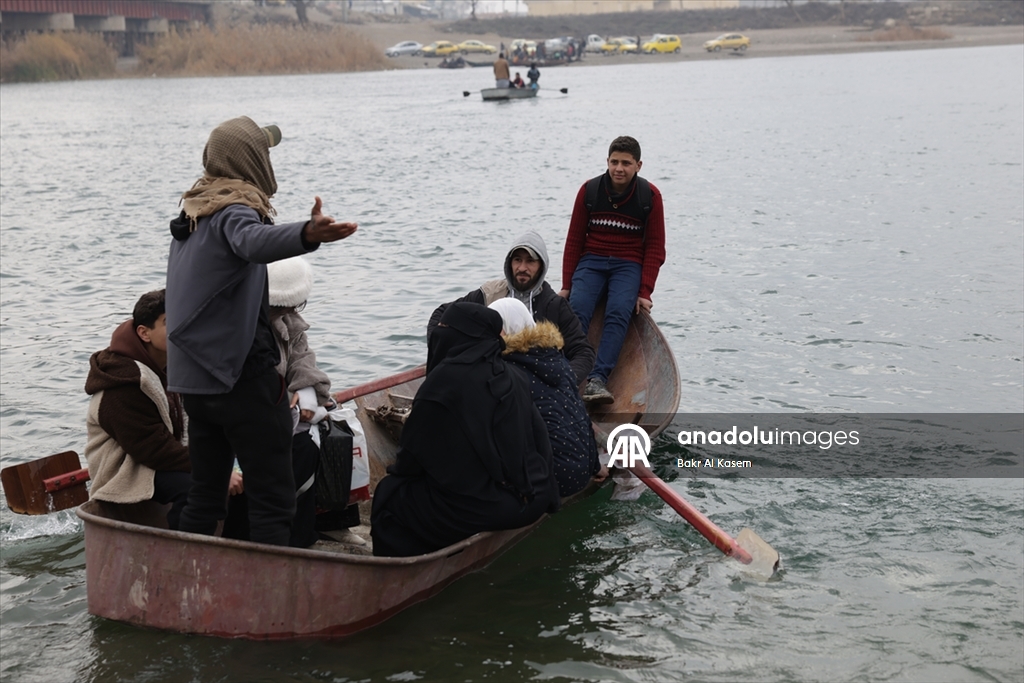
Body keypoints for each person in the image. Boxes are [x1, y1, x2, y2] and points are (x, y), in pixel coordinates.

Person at [166, 115, 358, 547]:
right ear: (250, 159)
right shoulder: (235, 210)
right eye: (264, 151)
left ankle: (186, 583)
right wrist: (308, 234)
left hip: (196, 384)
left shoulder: (193, 214)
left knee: (205, 498)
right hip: (241, 379)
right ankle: (271, 600)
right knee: (274, 500)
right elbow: (254, 241)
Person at [371, 302, 560, 557]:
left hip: (491, 507)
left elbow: (409, 461)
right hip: (534, 496)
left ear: (461, 335)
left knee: (390, 493)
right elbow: (540, 441)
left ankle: (401, 568)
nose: (438, 332)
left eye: (444, 327)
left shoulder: (441, 385)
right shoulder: (515, 376)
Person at [85, 289, 242, 530]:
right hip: (127, 471)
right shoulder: (123, 381)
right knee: (198, 489)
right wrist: (214, 469)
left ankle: (236, 547)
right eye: (169, 322)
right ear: (144, 333)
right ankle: (178, 556)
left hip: (156, 460)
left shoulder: (170, 365)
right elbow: (153, 449)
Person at [559, 135, 666, 404]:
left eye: (626, 163)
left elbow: (655, 247)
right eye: (614, 162)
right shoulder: (589, 191)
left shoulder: (650, 196)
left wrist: (645, 291)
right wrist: (566, 284)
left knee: (619, 312)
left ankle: (597, 380)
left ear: (638, 165)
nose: (619, 168)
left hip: (627, 263)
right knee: (577, 310)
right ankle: (565, 374)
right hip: (591, 260)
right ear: (607, 162)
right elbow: (574, 240)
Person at [428, 231, 595, 386]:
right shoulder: (489, 294)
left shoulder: (555, 306)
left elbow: (583, 353)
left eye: (530, 261)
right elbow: (442, 314)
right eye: (517, 260)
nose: (522, 268)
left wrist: (561, 381)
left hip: (535, 383)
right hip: (488, 380)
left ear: (542, 266)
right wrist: (444, 354)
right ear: (509, 263)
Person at [489, 299, 601, 497]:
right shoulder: (557, 359)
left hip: (549, 479)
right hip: (581, 472)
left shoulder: (507, 372)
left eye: (493, 329)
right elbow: (583, 418)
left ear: (508, 328)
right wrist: (596, 467)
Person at [265, 256, 337, 548]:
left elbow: (302, 360)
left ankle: (327, 525)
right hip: (255, 417)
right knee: (303, 447)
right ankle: (290, 538)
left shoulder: (289, 323)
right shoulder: (246, 325)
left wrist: (307, 394)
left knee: (331, 437)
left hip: (285, 411)